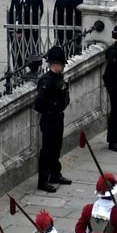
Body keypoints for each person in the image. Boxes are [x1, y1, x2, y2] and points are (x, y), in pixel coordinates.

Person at [35, 46, 70, 191]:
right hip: (49, 119)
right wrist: (52, 108)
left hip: (58, 117)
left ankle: (55, 173)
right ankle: (43, 180)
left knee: (57, 147)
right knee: (47, 150)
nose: (62, 67)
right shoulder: (46, 81)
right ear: (54, 64)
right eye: (61, 64)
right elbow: (39, 104)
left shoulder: (59, 78)